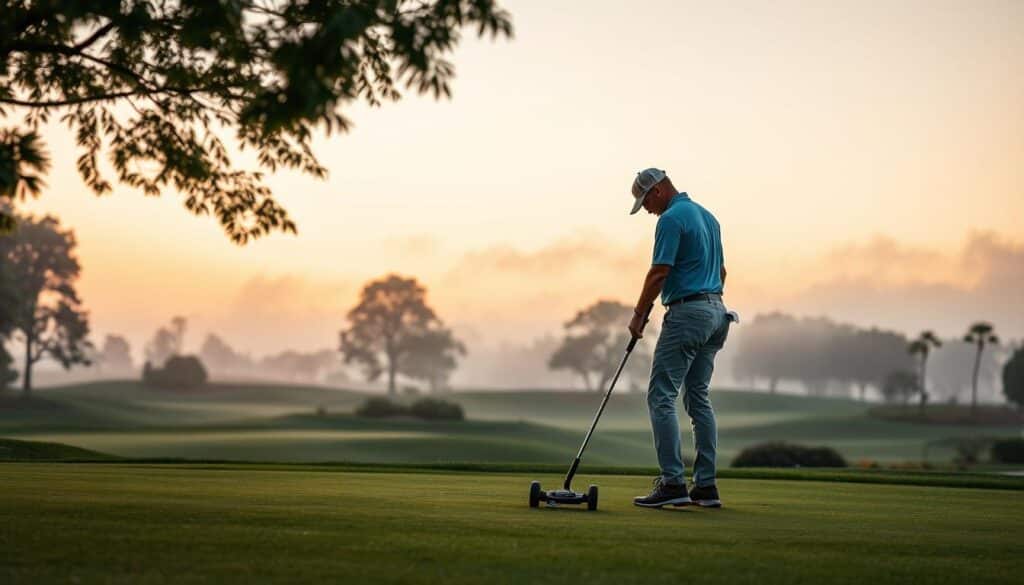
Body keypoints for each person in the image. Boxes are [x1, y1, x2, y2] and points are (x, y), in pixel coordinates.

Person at [626, 167, 734, 509]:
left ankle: (673, 483)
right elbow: (722, 272)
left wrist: (639, 314)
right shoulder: (708, 216)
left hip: (689, 313)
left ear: (657, 190)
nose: (646, 209)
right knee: (697, 396)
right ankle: (705, 486)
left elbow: (659, 272)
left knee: (661, 395)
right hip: (717, 312)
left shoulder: (671, 219)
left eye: (645, 202)